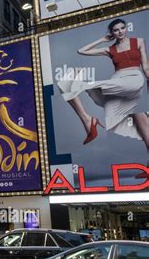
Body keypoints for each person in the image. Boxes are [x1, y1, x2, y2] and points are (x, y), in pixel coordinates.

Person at [58, 18, 149, 179]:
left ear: (126, 28)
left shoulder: (138, 41)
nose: (120, 31)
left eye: (122, 28)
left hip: (134, 79)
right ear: (112, 33)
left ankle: (88, 120)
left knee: (144, 123)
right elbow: (82, 50)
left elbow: (146, 67)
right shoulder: (109, 49)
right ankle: (87, 119)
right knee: (65, 84)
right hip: (117, 82)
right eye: (116, 30)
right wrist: (102, 39)